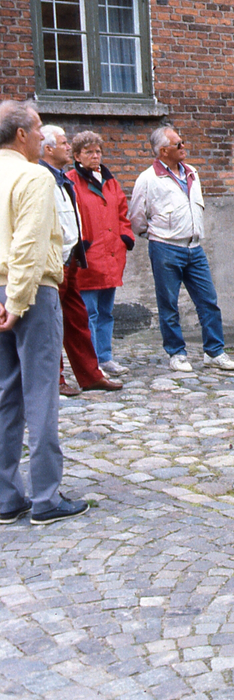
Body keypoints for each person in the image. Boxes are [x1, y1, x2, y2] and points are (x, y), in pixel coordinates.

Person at [0, 100, 89, 525]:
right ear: (20, 134)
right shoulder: (34, 176)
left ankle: (5, 496)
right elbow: (29, 246)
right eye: (37, 129)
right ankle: (46, 498)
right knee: (40, 395)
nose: (43, 136)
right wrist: (16, 304)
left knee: (5, 396)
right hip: (30, 294)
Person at [130, 126, 234, 372]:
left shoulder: (192, 173)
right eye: (178, 144)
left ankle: (214, 351)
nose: (183, 147)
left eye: (182, 142)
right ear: (163, 150)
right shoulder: (148, 179)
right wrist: (155, 235)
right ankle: (177, 353)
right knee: (169, 303)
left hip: (194, 247)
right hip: (165, 248)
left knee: (208, 300)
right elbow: (137, 217)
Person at [38, 126, 121, 395]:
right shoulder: (42, 178)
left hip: (70, 260)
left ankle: (90, 374)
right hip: (53, 263)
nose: (67, 147)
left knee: (78, 320)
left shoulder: (61, 178)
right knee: (51, 323)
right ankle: (57, 378)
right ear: (48, 149)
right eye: (63, 143)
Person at [67, 130, 134, 378]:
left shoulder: (110, 181)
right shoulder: (70, 181)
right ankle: (90, 362)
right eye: (89, 152)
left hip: (111, 255)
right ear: (77, 155)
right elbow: (69, 216)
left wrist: (125, 237)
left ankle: (105, 357)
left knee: (106, 312)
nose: (95, 156)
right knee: (88, 313)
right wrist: (80, 245)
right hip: (88, 257)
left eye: (98, 151)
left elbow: (122, 213)